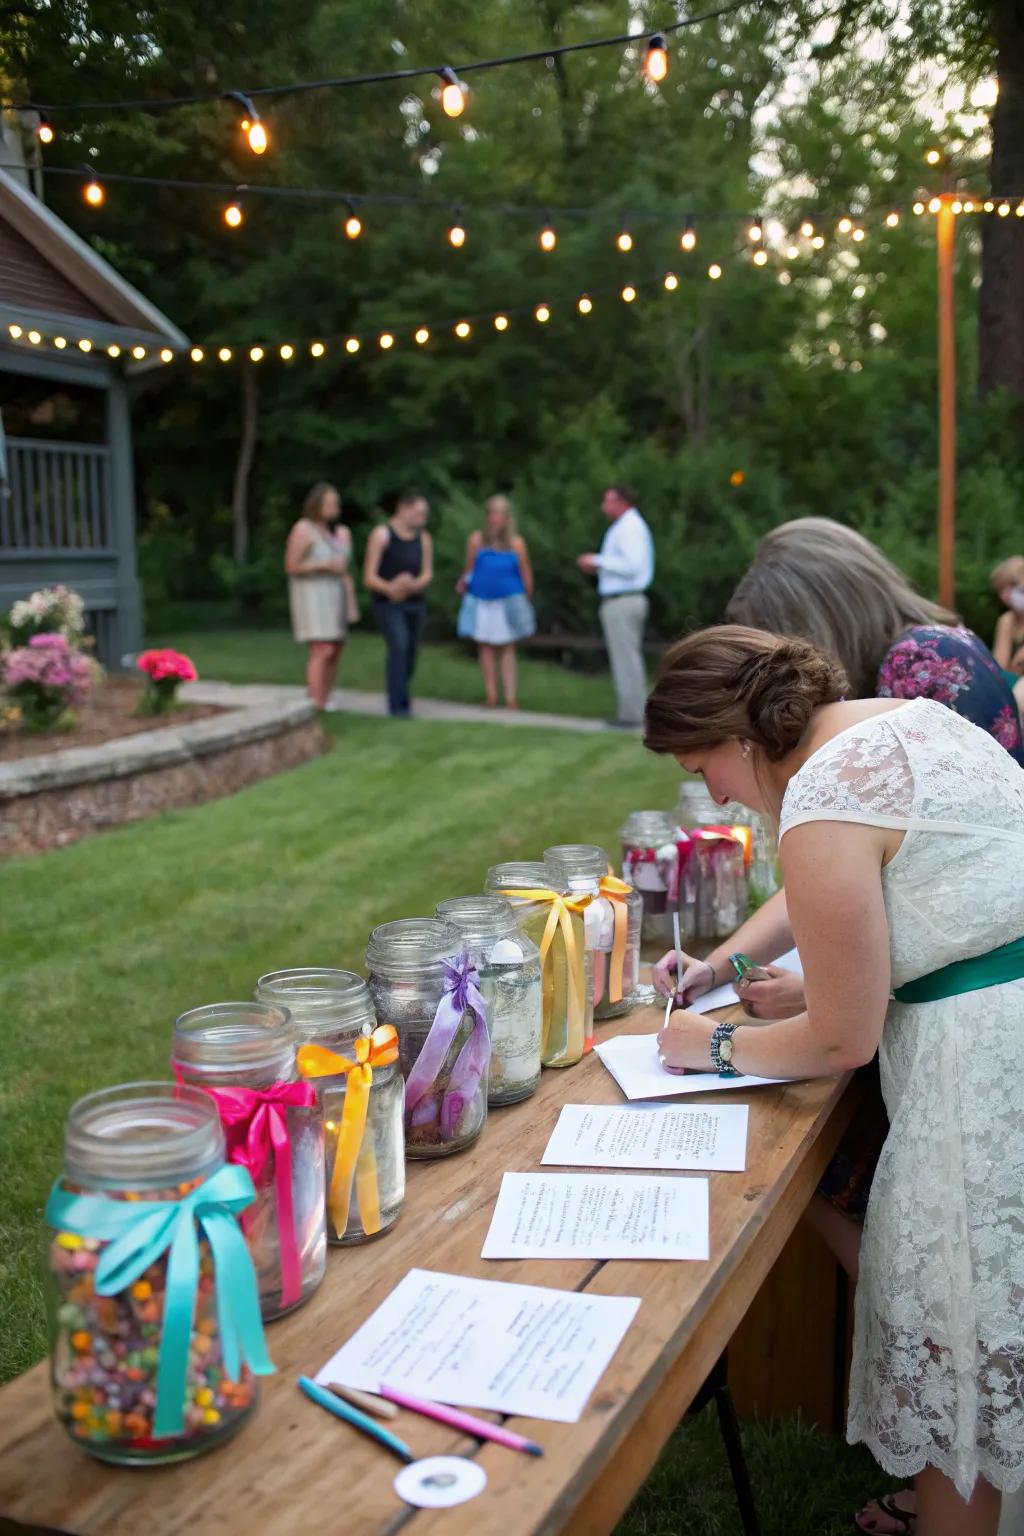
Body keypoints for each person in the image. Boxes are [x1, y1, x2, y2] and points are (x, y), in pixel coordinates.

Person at [645, 624, 1024, 1536]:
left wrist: (712, 1047)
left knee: (953, 1351)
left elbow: (841, 1039)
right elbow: (850, 876)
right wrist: (724, 967)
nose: (717, 795)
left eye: (704, 770)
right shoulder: (905, 722)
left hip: (978, 1066)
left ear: (739, 737)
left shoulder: (823, 794)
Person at [577, 485, 654, 729]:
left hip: (624, 600)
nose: (604, 506)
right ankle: (630, 711)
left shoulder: (630, 528)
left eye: (608, 501)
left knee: (626, 657)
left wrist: (598, 561)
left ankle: (633, 714)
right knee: (624, 656)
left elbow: (632, 565)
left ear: (622, 502)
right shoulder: (622, 526)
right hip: (619, 600)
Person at [456, 495, 536, 709]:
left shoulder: (516, 543)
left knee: (507, 647)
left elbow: (525, 573)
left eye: (500, 514)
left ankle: (510, 697)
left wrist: (527, 596)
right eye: (492, 513)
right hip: (482, 599)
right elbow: (470, 568)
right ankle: (491, 694)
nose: (495, 518)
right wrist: (464, 583)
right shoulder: (477, 540)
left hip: (509, 601)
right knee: (486, 646)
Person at [284, 482, 356, 711]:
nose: (335, 508)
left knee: (335, 648)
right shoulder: (303, 529)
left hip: (336, 597)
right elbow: (291, 566)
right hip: (313, 597)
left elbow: (344, 568)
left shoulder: (340, 532)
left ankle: (326, 697)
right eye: (330, 503)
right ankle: (315, 701)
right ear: (316, 504)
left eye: (336, 503)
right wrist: (323, 565)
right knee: (322, 648)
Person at [363, 492, 433, 718]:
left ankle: (402, 691)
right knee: (399, 646)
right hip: (388, 603)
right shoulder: (382, 535)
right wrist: (391, 589)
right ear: (403, 509)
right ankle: (398, 705)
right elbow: (369, 576)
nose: (422, 518)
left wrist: (413, 585)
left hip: (415, 602)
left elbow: (427, 573)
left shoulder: (423, 538)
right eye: (419, 513)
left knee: (411, 651)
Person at [989, 555, 1024, 682]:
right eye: (1001, 590)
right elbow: (1000, 668)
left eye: (1012, 587)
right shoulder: (1007, 620)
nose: (1005, 595)